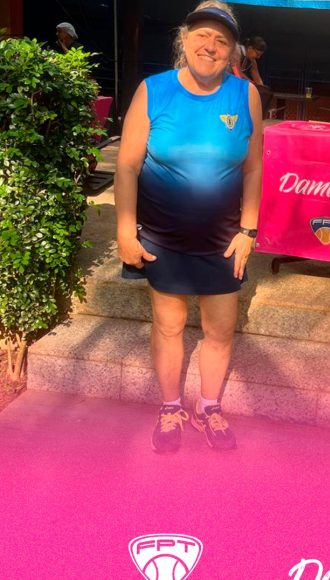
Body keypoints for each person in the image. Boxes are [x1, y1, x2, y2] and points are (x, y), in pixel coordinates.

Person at [115, 0, 262, 453]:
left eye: (221, 40)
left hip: (223, 242)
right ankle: (170, 406)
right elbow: (127, 166)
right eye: (201, 35)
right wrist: (124, 230)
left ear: (233, 50)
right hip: (163, 239)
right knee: (168, 325)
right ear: (184, 38)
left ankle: (209, 407)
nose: (209, 46)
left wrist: (249, 230)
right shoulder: (153, 90)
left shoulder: (245, 96)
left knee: (220, 330)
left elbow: (254, 168)